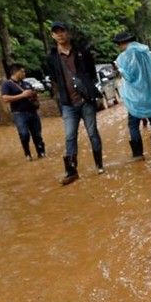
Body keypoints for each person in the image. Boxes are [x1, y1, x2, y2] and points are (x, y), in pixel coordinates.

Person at [45, 21, 104, 185]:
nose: (59, 35)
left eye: (62, 31)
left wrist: (85, 87)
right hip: (67, 103)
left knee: (92, 132)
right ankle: (71, 171)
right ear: (52, 35)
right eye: (56, 32)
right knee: (70, 136)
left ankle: (99, 165)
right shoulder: (51, 57)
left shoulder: (82, 52)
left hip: (86, 101)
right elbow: (54, 78)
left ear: (68, 33)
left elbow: (91, 73)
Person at [113, 32, 151, 161]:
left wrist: (119, 69)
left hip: (135, 97)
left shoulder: (124, 57)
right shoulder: (146, 52)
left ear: (121, 44)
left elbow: (129, 76)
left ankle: (138, 154)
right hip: (150, 94)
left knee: (133, 125)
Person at [0, 63, 46, 161]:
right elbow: (5, 98)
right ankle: (27, 153)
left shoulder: (27, 84)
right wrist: (22, 95)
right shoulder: (7, 84)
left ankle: (41, 152)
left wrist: (34, 95)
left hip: (32, 112)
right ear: (15, 72)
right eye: (22, 71)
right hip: (19, 114)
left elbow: (34, 95)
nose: (24, 73)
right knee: (24, 134)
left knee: (37, 134)